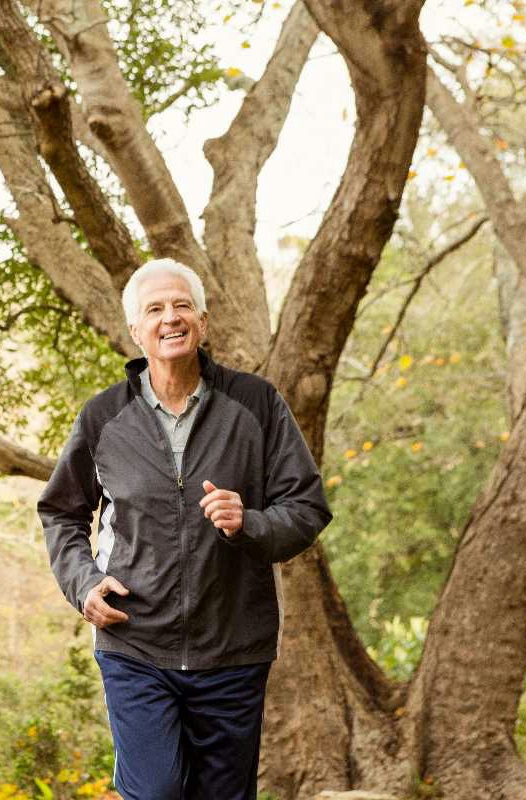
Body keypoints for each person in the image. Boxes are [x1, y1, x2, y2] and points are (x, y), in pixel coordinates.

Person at [38, 259, 331, 800]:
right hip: (135, 638)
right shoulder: (103, 417)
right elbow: (61, 512)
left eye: (181, 306)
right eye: (154, 309)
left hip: (234, 644)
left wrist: (250, 524)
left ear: (202, 320)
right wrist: (83, 585)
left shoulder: (256, 403)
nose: (169, 318)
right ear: (135, 331)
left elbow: (307, 507)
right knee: (158, 791)